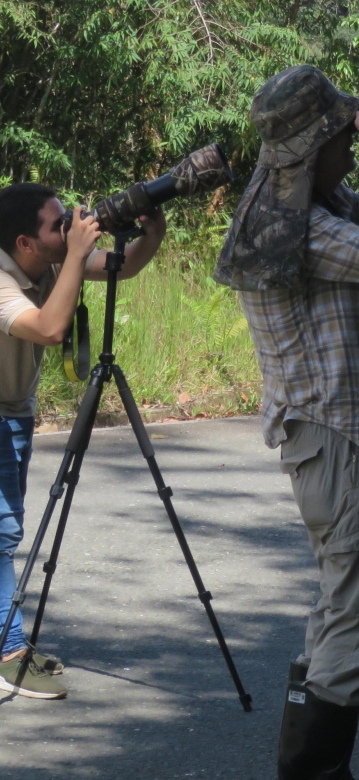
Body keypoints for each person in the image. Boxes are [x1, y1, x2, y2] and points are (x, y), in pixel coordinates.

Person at [0, 182, 166, 700]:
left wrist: (153, 230)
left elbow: (122, 266)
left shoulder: (51, 261)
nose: (70, 226)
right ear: (26, 243)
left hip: (10, 413)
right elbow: (50, 327)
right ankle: (8, 655)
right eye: (57, 225)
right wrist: (77, 253)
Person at [214, 64, 359, 778]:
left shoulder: (289, 204)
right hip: (334, 439)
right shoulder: (303, 230)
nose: (352, 146)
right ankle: (313, 770)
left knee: (341, 601)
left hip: (324, 442)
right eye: (341, 134)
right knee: (354, 612)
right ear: (314, 146)